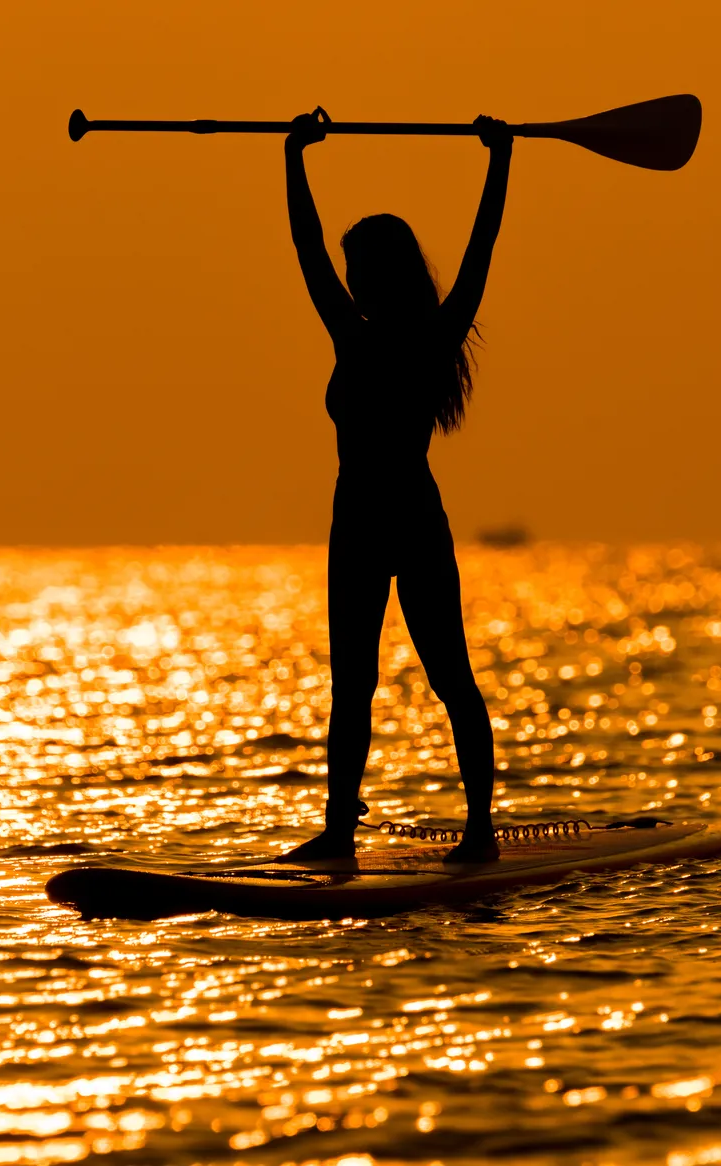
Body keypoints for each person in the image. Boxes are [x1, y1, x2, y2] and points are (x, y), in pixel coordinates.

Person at [279, 107, 512, 864]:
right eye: (346, 274)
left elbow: (482, 248)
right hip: (356, 519)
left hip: (408, 516)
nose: (345, 281)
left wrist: (500, 159)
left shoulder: (430, 336)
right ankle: (339, 833)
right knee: (352, 684)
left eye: (357, 270)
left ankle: (479, 829)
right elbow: (305, 247)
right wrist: (293, 157)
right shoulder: (351, 331)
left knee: (450, 675)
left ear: (381, 272)